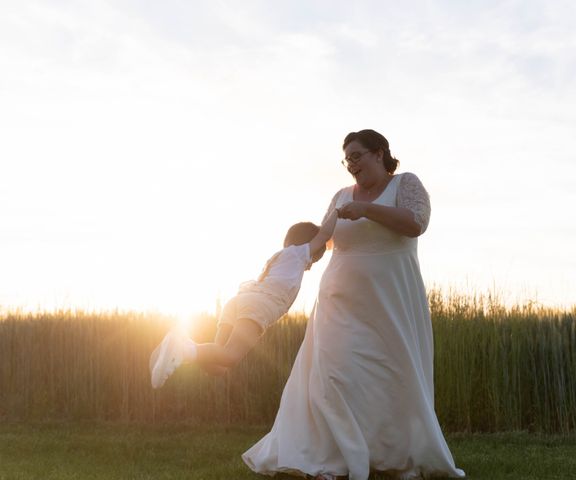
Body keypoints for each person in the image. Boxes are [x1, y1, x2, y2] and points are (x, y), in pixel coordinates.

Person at [243, 130, 465, 480]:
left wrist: (366, 210)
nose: (351, 165)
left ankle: (388, 455)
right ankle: (335, 457)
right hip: (338, 303)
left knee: (389, 378)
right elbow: (320, 241)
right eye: (347, 159)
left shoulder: (406, 184)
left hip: (390, 299)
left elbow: (415, 224)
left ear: (379, 154)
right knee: (335, 375)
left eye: (357, 156)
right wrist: (287, 260)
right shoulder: (341, 196)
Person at [149, 208, 339, 389]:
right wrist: (337, 212)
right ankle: (183, 349)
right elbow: (323, 235)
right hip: (258, 306)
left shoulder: (280, 258)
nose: (311, 264)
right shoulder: (298, 254)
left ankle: (179, 350)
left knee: (218, 367)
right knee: (230, 357)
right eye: (315, 258)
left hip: (238, 302)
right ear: (309, 248)